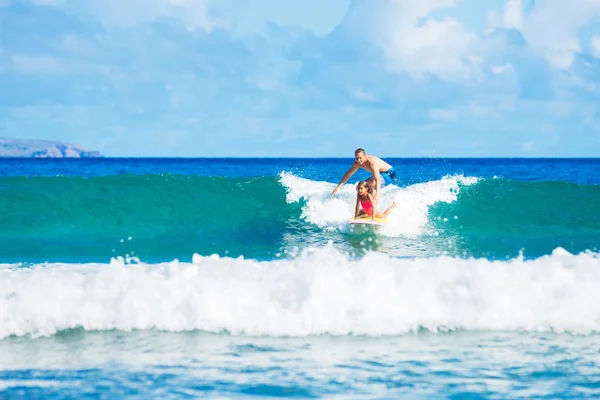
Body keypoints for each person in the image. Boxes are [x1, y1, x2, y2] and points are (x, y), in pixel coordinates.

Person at [331, 148, 397, 199]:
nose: (359, 160)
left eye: (360, 158)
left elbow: (377, 179)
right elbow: (348, 175)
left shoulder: (371, 163)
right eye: (357, 158)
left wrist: (377, 195)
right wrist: (338, 187)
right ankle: (367, 207)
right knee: (359, 187)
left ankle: (374, 206)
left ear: (365, 156)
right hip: (381, 174)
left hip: (390, 174)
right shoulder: (356, 163)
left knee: (365, 186)